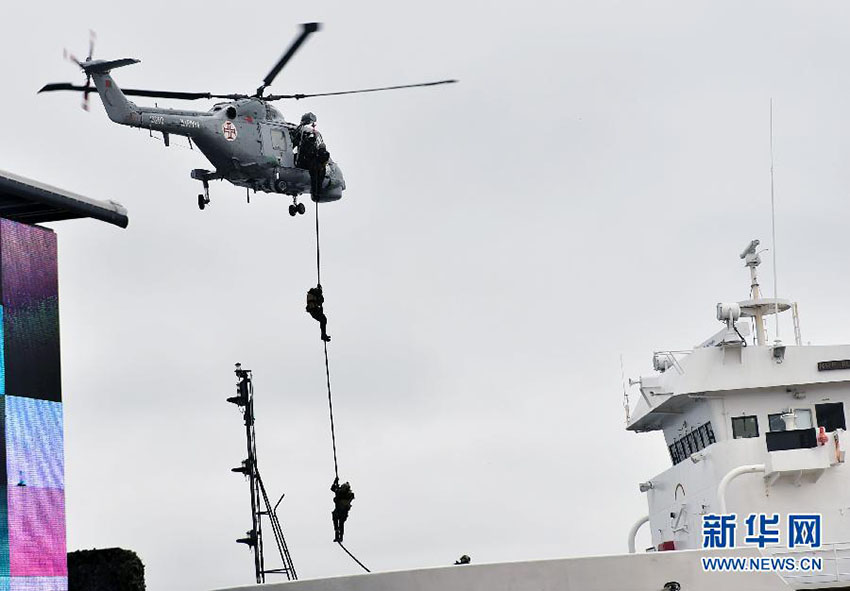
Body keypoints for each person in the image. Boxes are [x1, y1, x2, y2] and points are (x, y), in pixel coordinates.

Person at [293, 112, 331, 199]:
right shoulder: (321, 153)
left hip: (313, 169)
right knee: (317, 183)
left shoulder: (311, 149)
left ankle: (316, 193)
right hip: (316, 170)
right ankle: (316, 194)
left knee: (316, 182)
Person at [331, 477, 355, 543]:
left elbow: (334, 489)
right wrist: (335, 482)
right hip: (339, 511)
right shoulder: (340, 492)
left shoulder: (347, 494)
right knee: (337, 520)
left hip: (342, 512)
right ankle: (337, 534)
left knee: (340, 523)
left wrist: (336, 485)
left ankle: (340, 536)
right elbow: (332, 488)